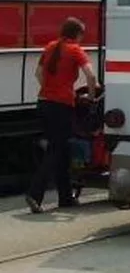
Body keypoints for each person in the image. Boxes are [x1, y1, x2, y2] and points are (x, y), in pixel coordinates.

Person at [25, 17, 98, 214]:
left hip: (44, 102)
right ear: (78, 34)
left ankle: (65, 197)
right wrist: (90, 97)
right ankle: (34, 193)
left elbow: (38, 73)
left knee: (62, 149)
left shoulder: (50, 47)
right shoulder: (75, 50)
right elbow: (91, 76)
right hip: (61, 106)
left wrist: (50, 89)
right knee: (56, 150)